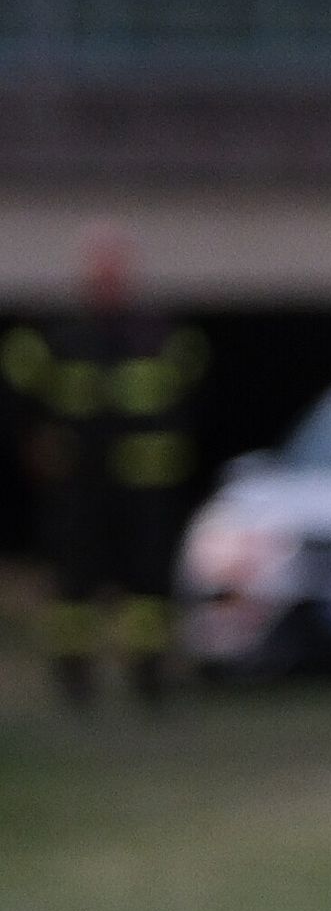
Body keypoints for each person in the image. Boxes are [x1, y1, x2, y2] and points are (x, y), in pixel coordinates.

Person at [5, 224, 203, 708]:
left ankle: (149, 679)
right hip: (77, 486)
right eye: (99, 269)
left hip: (145, 490)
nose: (107, 279)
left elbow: (198, 403)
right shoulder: (56, 335)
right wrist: (32, 446)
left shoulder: (160, 335)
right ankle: (75, 682)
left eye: (114, 268)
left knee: (147, 588)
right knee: (74, 590)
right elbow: (14, 398)